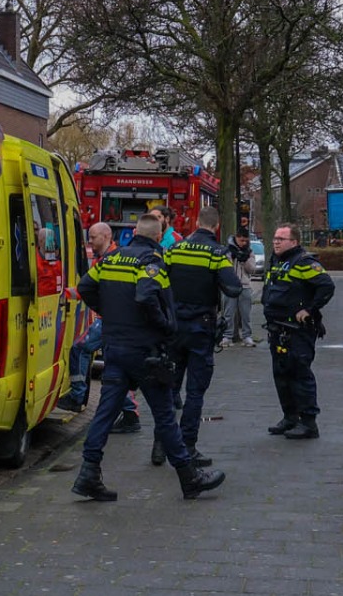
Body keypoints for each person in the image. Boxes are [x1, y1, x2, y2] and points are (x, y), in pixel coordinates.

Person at [71, 214, 225, 502]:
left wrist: (107, 311)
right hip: (144, 352)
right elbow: (145, 296)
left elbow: (85, 287)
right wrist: (164, 326)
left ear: (133, 233)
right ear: (157, 237)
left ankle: (88, 473)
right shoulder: (151, 262)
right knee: (164, 415)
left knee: (105, 412)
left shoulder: (111, 259)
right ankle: (189, 477)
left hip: (115, 348)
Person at [164, 204, 241, 463]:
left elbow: (159, 282)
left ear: (197, 222)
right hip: (200, 329)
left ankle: (160, 445)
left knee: (169, 388)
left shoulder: (174, 250)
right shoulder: (217, 253)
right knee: (195, 392)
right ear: (216, 226)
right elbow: (234, 289)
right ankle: (187, 446)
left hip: (174, 328)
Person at [56, 223, 142, 432]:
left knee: (80, 349)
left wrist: (60, 293)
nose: (90, 241)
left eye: (93, 237)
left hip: (109, 321)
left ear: (106, 236)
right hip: (116, 321)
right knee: (114, 370)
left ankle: (78, 396)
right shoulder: (107, 258)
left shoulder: (109, 260)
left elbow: (86, 289)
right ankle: (130, 414)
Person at [260, 223, 335, 440]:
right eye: (275, 238)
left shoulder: (303, 262)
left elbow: (326, 286)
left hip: (297, 331)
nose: (276, 242)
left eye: (281, 239)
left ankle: (309, 422)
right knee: (281, 374)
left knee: (300, 375)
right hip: (277, 328)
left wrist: (309, 309)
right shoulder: (277, 261)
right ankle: (290, 417)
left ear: (294, 242)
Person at [220, 228, 257, 347]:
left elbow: (252, 269)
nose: (244, 243)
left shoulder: (249, 252)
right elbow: (225, 268)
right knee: (228, 312)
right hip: (229, 286)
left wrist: (244, 260)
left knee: (246, 314)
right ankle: (227, 336)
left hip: (245, 285)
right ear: (236, 238)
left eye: (246, 241)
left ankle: (247, 336)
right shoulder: (227, 251)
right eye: (241, 240)